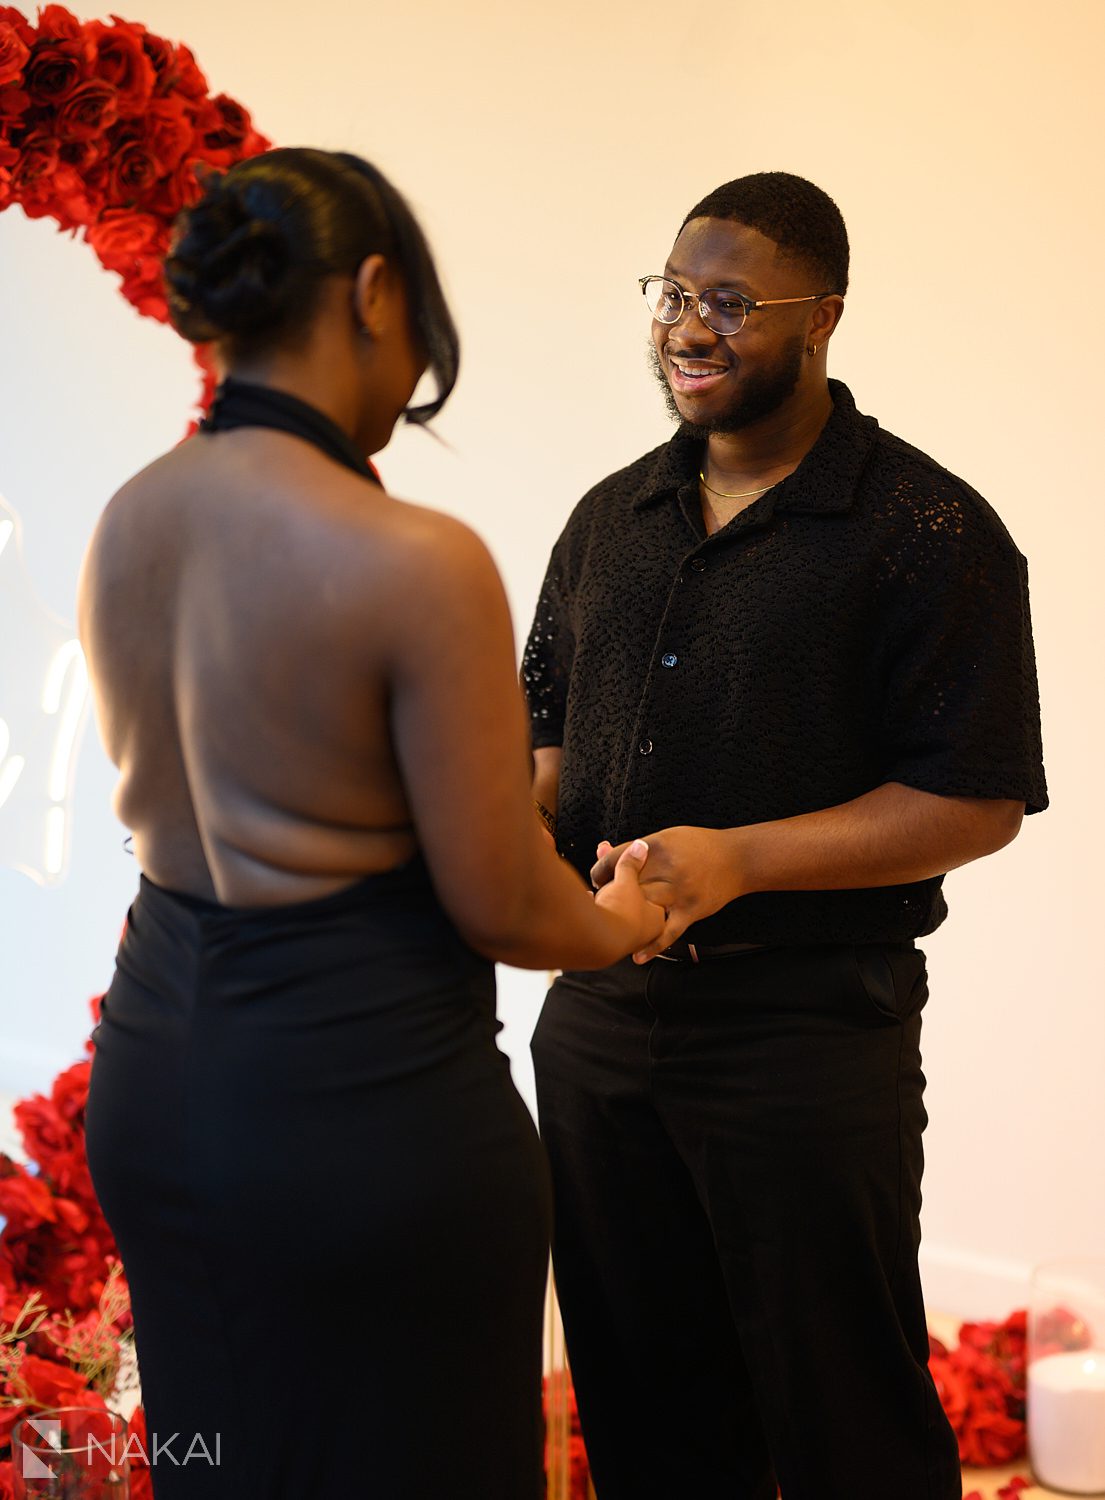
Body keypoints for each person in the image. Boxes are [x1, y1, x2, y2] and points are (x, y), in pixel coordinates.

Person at [79, 147, 665, 1500]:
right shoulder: (413, 558)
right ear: (378, 291)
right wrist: (627, 916)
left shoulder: (129, 520)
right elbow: (504, 905)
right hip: (358, 1113)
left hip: (160, 1077)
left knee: (224, 1455)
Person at [523, 171, 1048, 1500]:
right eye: (672, 296)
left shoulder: (926, 530)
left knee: (841, 1422)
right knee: (642, 1413)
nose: (688, 330)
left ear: (822, 318)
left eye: (730, 304)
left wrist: (737, 858)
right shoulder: (606, 520)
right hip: (596, 1025)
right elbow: (543, 735)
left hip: (806, 1033)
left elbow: (976, 796)